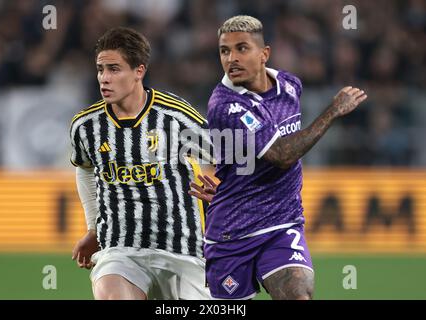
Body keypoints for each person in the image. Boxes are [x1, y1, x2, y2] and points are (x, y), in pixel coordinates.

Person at [189, 15, 367, 300]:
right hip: (232, 233)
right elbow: (282, 155)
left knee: (298, 295)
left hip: (282, 225)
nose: (231, 58)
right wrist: (332, 111)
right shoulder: (225, 104)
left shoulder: (290, 85)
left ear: (264, 54)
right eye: (224, 51)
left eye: (242, 48)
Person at [70, 26, 213, 300]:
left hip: (182, 250)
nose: (104, 78)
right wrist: (93, 227)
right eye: (101, 69)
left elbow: (227, 158)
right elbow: (85, 168)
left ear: (139, 71)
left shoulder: (175, 117)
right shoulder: (85, 126)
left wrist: (227, 200)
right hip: (120, 249)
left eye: (114, 69)